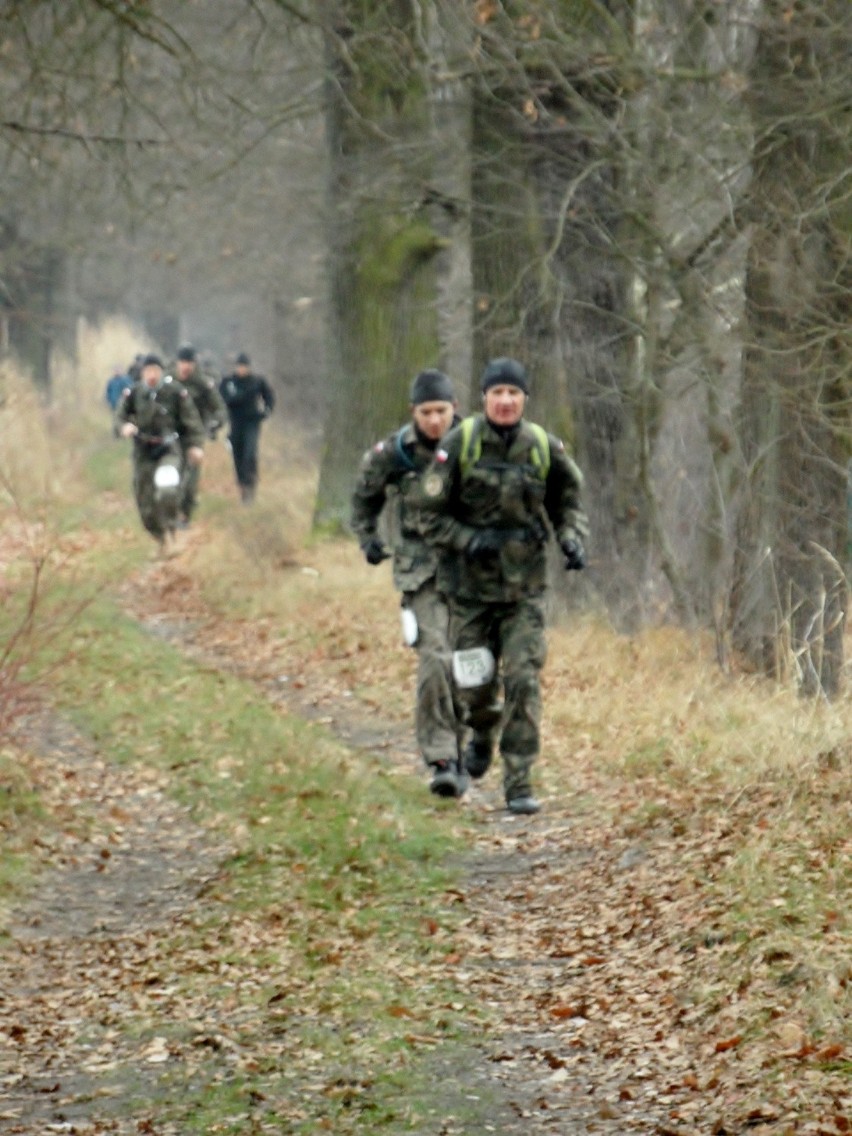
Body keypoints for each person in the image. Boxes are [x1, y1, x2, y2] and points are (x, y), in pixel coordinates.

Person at [418, 357, 589, 814]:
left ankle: (518, 781)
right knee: (474, 684)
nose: (506, 401)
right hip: (469, 593)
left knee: (522, 679)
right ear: (484, 399)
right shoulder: (459, 445)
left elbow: (569, 501)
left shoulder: (543, 448)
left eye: (514, 393)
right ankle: (481, 730)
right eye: (498, 393)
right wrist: (468, 540)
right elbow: (427, 515)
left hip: (524, 593)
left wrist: (572, 539)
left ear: (525, 399)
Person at [351, 369, 478, 799]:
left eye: (441, 411)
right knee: (436, 658)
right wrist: (369, 538)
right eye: (426, 412)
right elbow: (364, 495)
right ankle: (442, 757)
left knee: (470, 663)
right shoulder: (394, 454)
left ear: (454, 408)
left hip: (473, 569)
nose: (435, 420)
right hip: (420, 571)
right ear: (413, 413)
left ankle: (463, 748)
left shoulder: (477, 445)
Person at [115, 353, 206, 557]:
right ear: (142, 373)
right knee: (145, 505)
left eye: (155, 370)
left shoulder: (175, 392)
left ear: (162, 371)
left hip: (168, 449)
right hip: (143, 451)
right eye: (148, 371)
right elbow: (119, 418)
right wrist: (124, 427)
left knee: (167, 489)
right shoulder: (134, 393)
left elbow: (192, 421)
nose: (152, 375)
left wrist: (195, 446)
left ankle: (172, 529)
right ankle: (161, 539)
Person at [170, 344, 227, 525]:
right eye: (182, 362)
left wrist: (214, 424)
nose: (186, 367)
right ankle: (172, 512)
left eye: (189, 363)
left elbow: (219, 408)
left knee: (191, 478)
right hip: (172, 434)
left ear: (194, 364)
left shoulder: (202, 383)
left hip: (194, 435)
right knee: (173, 474)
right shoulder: (168, 381)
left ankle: (185, 514)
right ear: (177, 363)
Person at [219, 352, 276, 503]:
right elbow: (223, 399)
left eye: (244, 367)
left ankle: (251, 484)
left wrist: (267, 410)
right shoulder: (229, 382)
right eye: (239, 366)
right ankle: (242, 485)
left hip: (252, 422)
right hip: (236, 423)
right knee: (237, 455)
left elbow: (269, 396)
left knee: (249, 453)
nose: (242, 370)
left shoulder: (257, 381)